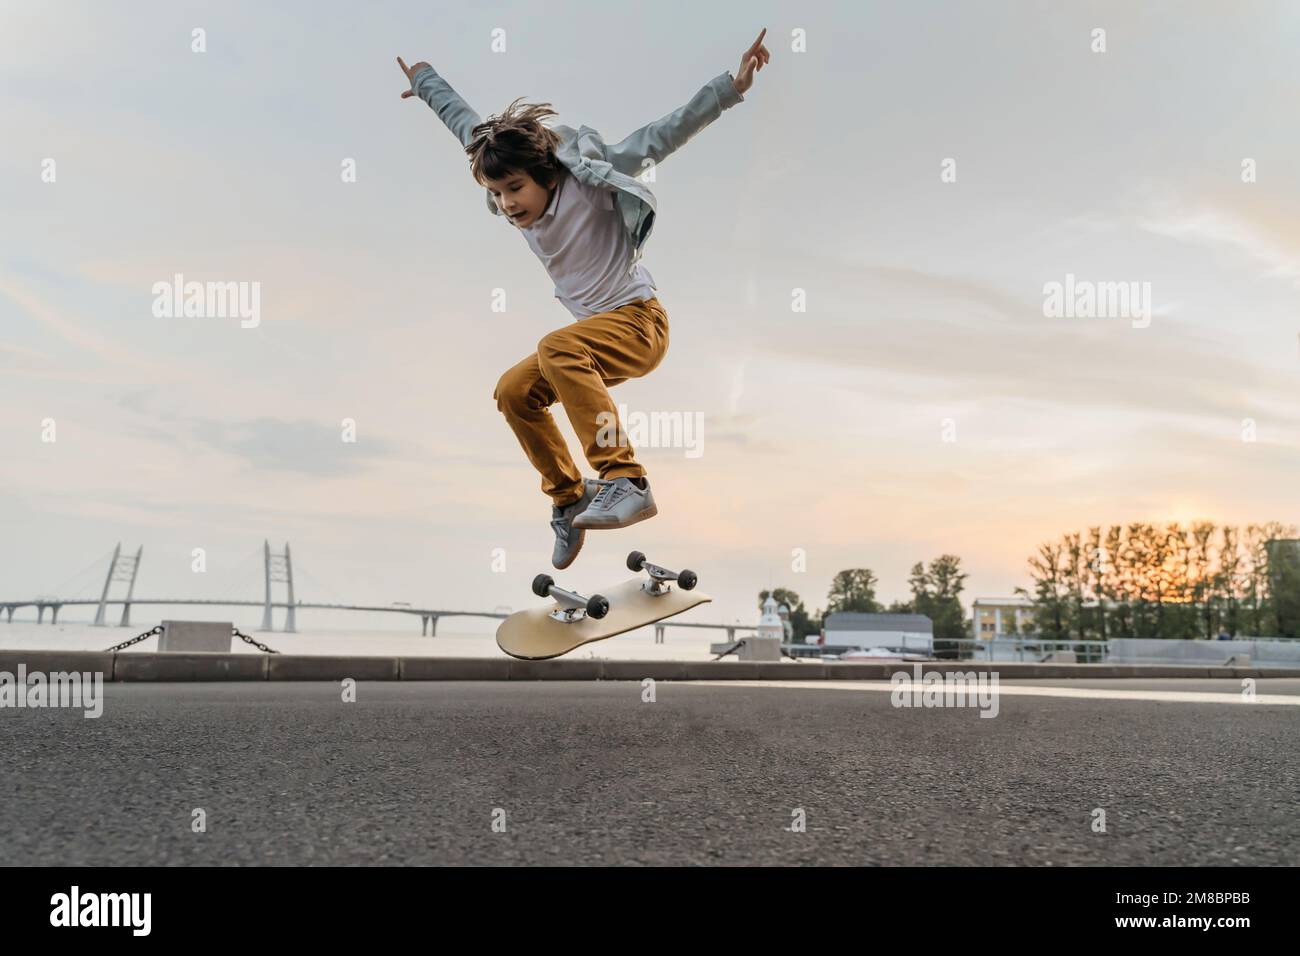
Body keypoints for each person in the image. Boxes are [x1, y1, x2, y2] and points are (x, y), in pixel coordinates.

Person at [396, 30, 769, 568]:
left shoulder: (589, 183)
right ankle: (570, 498)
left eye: (516, 191)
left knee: (557, 346)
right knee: (513, 392)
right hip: (589, 349)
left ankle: (626, 479)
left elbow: (659, 137)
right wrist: (425, 80)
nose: (507, 205)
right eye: (498, 195)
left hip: (639, 324)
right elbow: (464, 124)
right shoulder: (505, 182)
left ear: (545, 175)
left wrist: (730, 87)